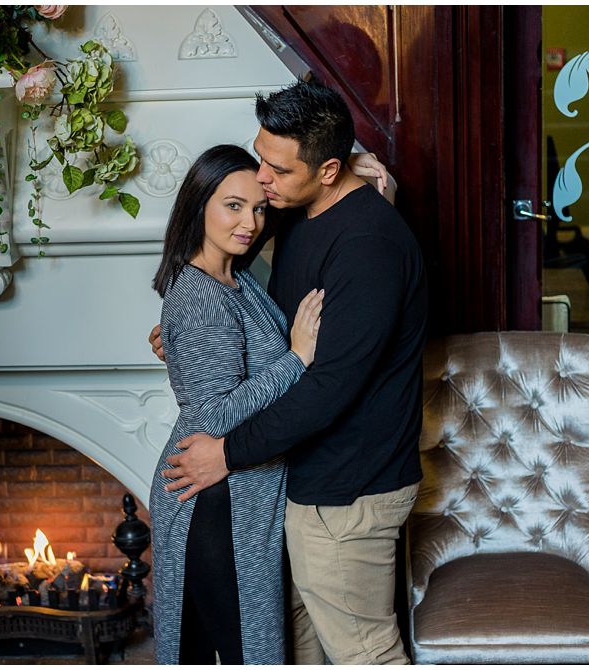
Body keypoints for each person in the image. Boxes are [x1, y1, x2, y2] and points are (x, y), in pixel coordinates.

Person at [155, 79, 428, 664]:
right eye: (261, 159)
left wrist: (226, 453)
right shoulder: (296, 211)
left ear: (326, 171)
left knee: (364, 654)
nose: (263, 180)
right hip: (304, 486)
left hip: (348, 491)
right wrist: (183, 337)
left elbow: (329, 385)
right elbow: (233, 300)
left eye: (277, 169)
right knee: (298, 651)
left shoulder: (367, 244)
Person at [148, 144, 325, 664]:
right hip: (211, 500)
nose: (249, 221)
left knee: (225, 650)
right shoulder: (199, 292)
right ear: (198, 204)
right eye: (233, 205)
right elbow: (218, 414)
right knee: (239, 652)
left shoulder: (237, 277)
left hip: (233, 492)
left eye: (259, 207)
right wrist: (297, 357)